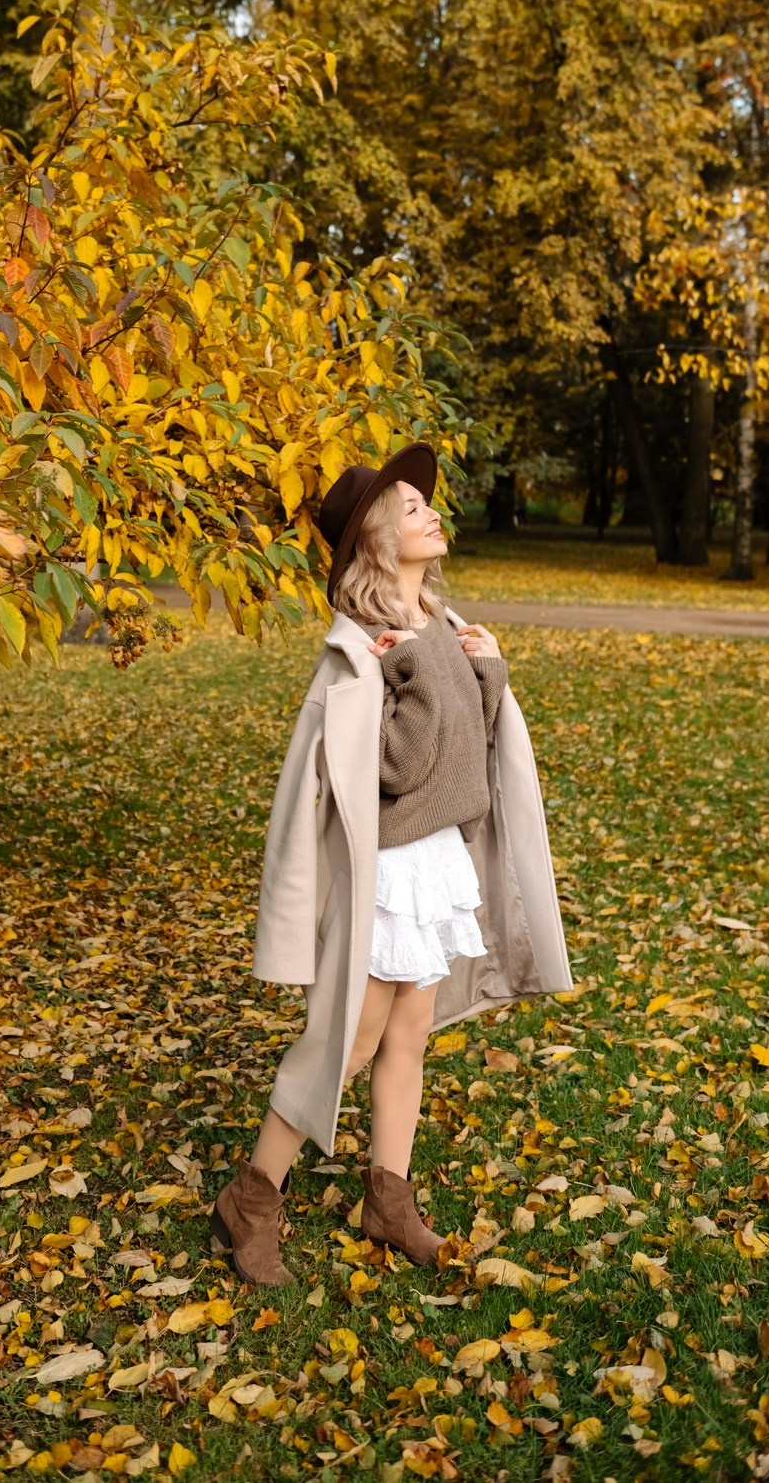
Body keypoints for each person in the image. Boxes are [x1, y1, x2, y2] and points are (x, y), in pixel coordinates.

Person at [207, 442, 573, 1287]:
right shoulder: (367, 652)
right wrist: (412, 673)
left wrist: (484, 670)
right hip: (383, 872)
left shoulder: (437, 629)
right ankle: (251, 1199)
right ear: (376, 541)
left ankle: (388, 1199)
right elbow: (397, 770)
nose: (431, 513)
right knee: (352, 1036)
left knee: (409, 1030)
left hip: (431, 856)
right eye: (411, 508)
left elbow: (462, 755)